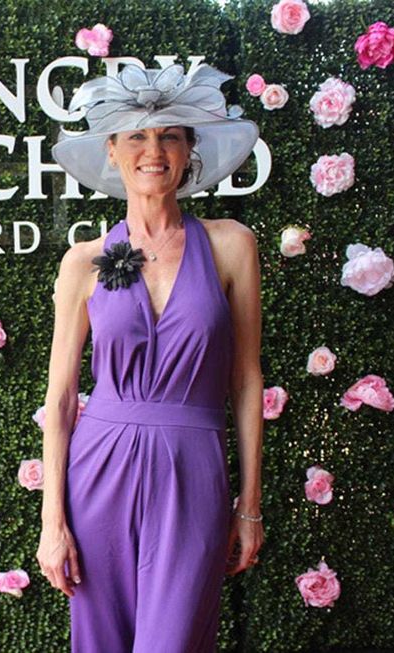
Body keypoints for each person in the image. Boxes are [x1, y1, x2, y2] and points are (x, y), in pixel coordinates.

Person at [36, 63, 265, 652]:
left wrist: (249, 505)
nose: (153, 150)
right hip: (98, 474)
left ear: (190, 152)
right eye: (136, 136)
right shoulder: (83, 262)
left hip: (193, 472)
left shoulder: (232, 245)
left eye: (170, 136)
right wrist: (52, 522)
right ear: (112, 151)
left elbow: (246, 381)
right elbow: (61, 399)